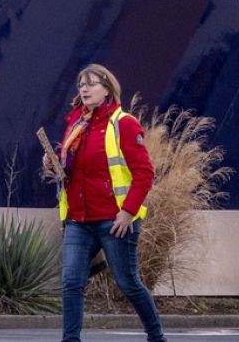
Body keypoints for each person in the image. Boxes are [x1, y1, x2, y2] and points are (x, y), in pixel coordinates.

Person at [43, 64, 166, 342]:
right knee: (72, 282)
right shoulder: (76, 124)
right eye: (80, 85)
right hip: (79, 220)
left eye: (91, 84)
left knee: (128, 283)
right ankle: (70, 340)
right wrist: (53, 164)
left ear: (107, 88)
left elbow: (145, 173)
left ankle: (156, 336)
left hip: (114, 221)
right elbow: (71, 170)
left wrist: (128, 213)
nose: (84, 89)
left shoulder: (123, 123)